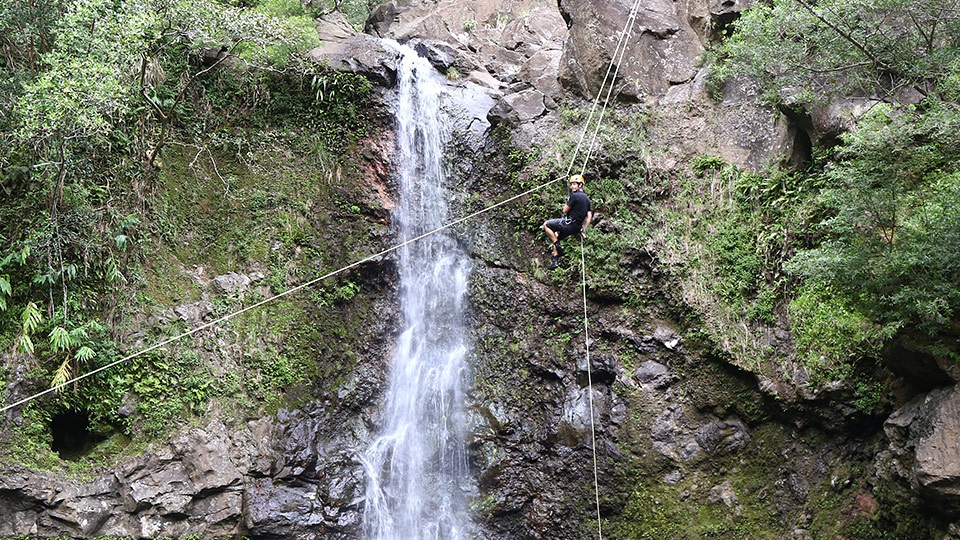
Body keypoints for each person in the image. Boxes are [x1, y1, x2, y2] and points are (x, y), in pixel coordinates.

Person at [543, 174, 592, 269]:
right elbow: (588, 217)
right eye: (572, 184)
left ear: (580, 185)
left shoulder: (574, 196)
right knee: (556, 236)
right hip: (576, 228)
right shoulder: (587, 199)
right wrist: (583, 229)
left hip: (568, 224)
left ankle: (558, 247)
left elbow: (564, 210)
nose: (572, 186)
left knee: (546, 225)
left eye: (574, 184)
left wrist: (568, 202)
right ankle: (555, 261)